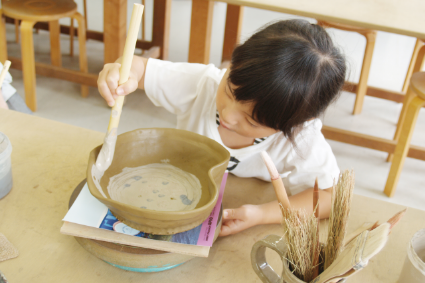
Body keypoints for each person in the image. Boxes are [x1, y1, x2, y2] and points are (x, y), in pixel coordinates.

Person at [97, 19, 346, 236]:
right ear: (232, 65)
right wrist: (121, 72)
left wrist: (261, 215)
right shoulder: (202, 83)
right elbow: (138, 67)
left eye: (251, 121)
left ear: (290, 126)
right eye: (229, 91)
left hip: (244, 200)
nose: (227, 115)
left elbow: (329, 198)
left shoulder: (302, 138)